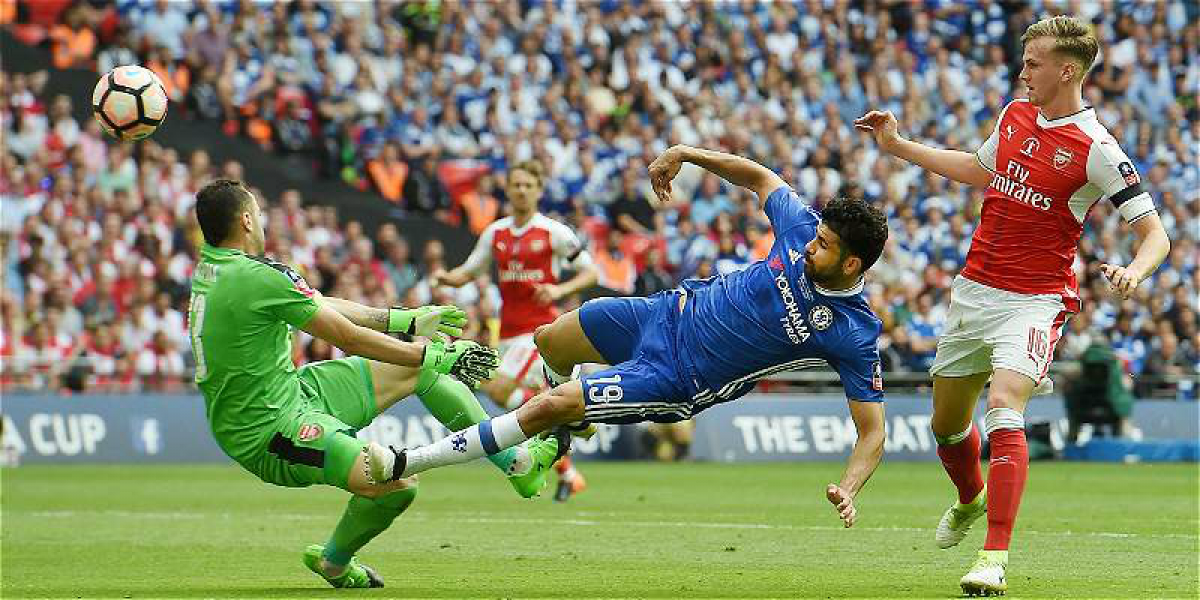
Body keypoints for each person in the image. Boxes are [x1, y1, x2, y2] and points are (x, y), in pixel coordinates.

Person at [372, 146, 890, 530]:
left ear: (850, 264)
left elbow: (872, 432)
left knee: (551, 402)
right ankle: (557, 444)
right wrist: (686, 153)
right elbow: (758, 176)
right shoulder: (802, 229)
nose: (807, 249)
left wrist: (848, 487)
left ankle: (406, 461)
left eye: (822, 247)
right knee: (552, 340)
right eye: (814, 236)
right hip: (664, 312)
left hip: (679, 376)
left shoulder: (854, 331)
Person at [854, 16, 1171, 596]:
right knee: (947, 428)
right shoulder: (1014, 113)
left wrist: (1134, 269)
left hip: (1033, 301)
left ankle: (993, 556)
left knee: (1003, 406)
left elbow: (1156, 234)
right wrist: (897, 146)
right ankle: (970, 498)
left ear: (1067, 70)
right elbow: (979, 171)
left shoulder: (1097, 149)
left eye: (1034, 63)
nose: (1023, 71)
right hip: (974, 291)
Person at [187, 180, 561, 589]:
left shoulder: (217, 270)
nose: (261, 220)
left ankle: (517, 463)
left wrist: (405, 320)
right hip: (269, 428)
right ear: (245, 219)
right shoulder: (256, 276)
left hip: (292, 391)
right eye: (258, 213)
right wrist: (429, 352)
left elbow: (319, 303)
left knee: (421, 373)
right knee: (397, 483)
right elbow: (344, 337)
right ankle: (333, 562)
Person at [433, 160, 598, 502]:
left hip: (538, 332)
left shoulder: (554, 232)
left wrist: (558, 291)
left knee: (498, 389)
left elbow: (591, 273)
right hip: (506, 334)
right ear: (507, 189)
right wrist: (446, 278)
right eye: (516, 185)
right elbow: (468, 271)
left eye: (528, 185)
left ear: (538, 190)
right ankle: (568, 454)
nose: (521, 190)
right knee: (517, 402)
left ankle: (566, 420)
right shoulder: (496, 233)